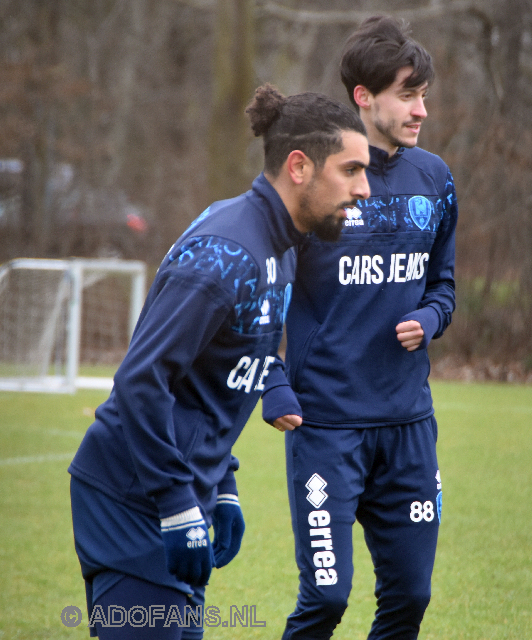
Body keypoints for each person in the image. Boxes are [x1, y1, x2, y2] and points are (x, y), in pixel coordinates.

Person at [68, 83, 370, 639]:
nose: (365, 189)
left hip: (177, 492)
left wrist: (222, 484)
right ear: (299, 167)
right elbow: (141, 380)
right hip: (132, 498)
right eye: (351, 170)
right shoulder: (226, 254)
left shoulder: (280, 243)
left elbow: (213, 379)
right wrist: (178, 503)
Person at [261, 15, 458, 640]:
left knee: (412, 596)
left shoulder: (436, 178)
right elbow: (261, 290)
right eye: (408, 93)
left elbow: (444, 285)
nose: (421, 109)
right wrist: (273, 382)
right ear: (363, 97)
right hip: (327, 428)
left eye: (424, 94)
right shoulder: (314, 178)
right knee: (326, 600)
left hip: (408, 427)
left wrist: (429, 318)